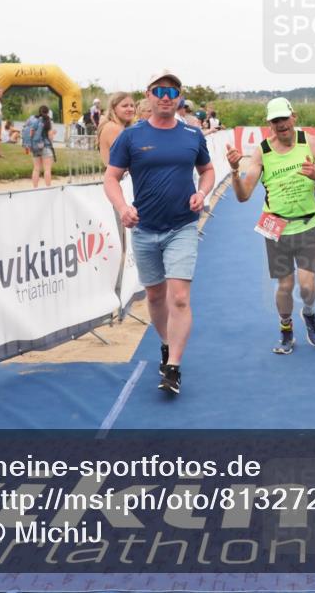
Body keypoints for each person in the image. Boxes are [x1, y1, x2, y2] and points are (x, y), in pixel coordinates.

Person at [103, 69, 215, 395]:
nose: (166, 98)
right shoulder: (131, 137)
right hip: (144, 228)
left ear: (179, 98)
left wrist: (202, 192)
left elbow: (207, 170)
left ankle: (174, 367)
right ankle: (166, 345)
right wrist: (123, 207)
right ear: (149, 96)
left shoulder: (193, 136)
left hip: (182, 226)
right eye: (159, 92)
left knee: (178, 297)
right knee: (155, 295)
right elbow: (111, 178)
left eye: (172, 93)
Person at [224, 97, 315, 354]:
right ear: (269, 123)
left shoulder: (311, 143)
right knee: (285, 286)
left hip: (306, 224)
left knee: (307, 287)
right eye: (275, 121)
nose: (281, 124)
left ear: (293, 116)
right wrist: (233, 171)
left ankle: (309, 313)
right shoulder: (262, 151)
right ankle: (286, 330)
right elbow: (243, 195)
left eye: (284, 118)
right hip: (275, 226)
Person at [97, 92, 138, 166]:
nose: (130, 109)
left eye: (132, 106)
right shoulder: (114, 128)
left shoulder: (116, 126)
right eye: (125, 106)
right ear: (113, 109)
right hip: (120, 176)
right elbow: (124, 159)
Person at [24, 105, 56, 187]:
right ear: (48, 113)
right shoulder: (48, 121)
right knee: (47, 169)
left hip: (35, 147)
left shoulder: (34, 120)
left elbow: (31, 133)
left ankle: (35, 188)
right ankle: (48, 187)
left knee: (36, 169)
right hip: (46, 147)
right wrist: (53, 134)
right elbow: (50, 138)